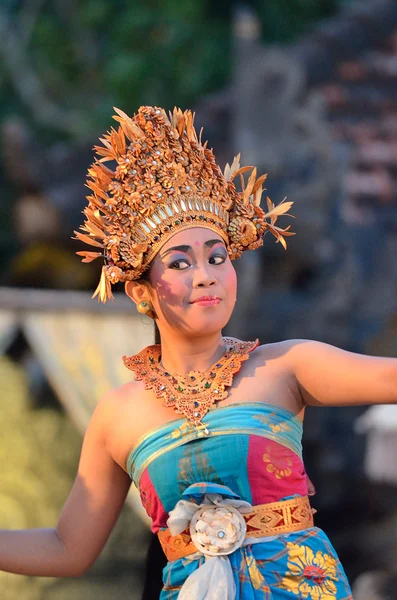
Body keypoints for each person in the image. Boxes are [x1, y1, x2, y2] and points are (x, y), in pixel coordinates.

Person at [1, 105, 396, 599]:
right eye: (181, 263)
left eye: (217, 257)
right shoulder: (119, 415)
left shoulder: (284, 367)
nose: (206, 274)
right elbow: (67, 548)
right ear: (142, 294)